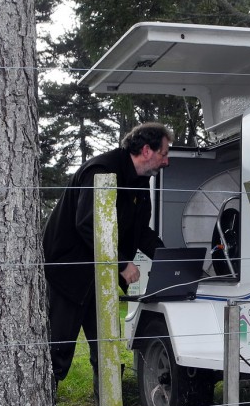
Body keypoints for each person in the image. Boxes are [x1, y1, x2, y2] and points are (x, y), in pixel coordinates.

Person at [43, 121, 172, 385]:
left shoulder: (139, 182)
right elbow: (87, 224)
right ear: (146, 150)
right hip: (68, 274)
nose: (166, 161)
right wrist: (122, 264)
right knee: (57, 351)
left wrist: (169, 257)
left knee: (106, 349)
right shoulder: (101, 170)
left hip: (99, 275)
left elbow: (139, 232)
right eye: (164, 154)